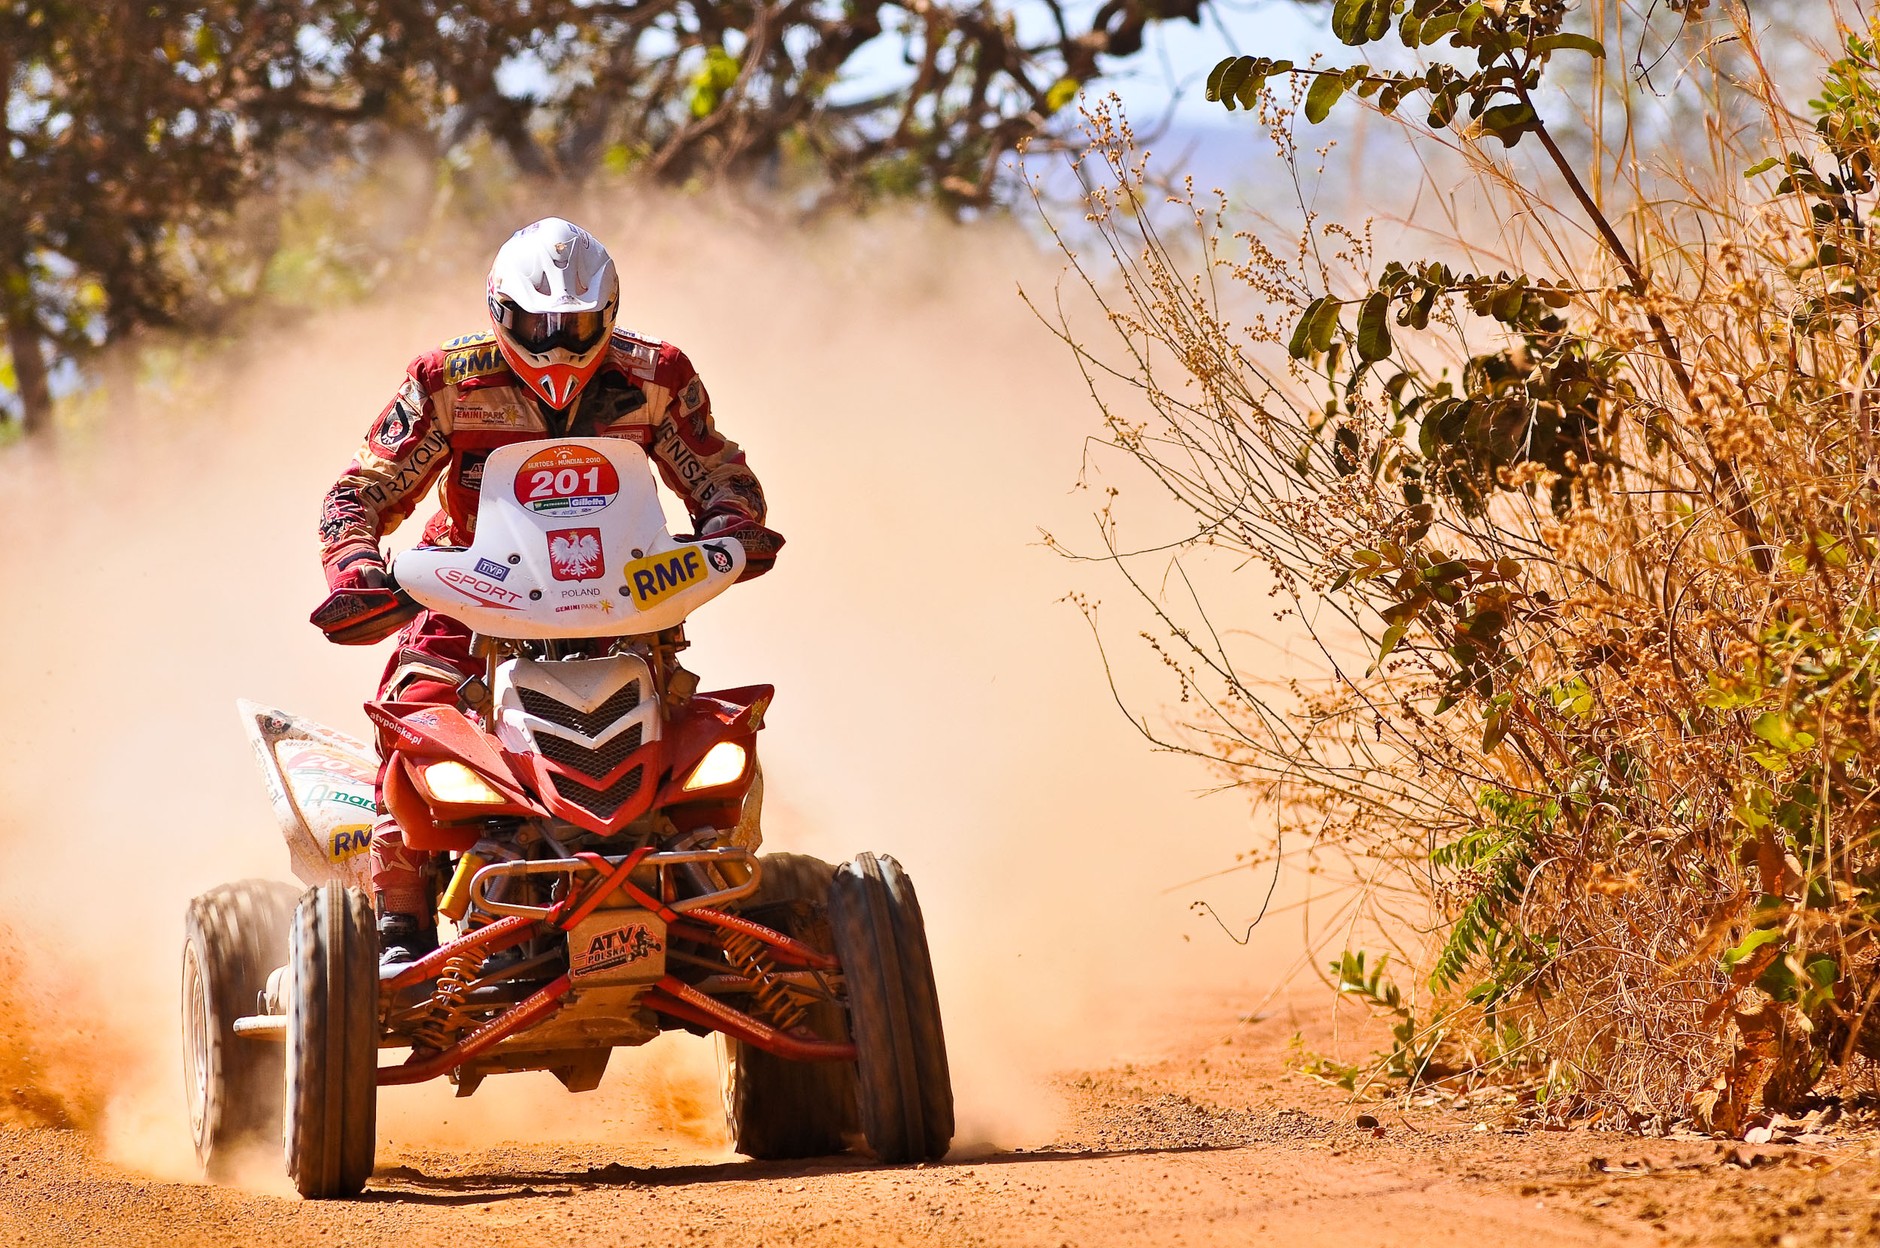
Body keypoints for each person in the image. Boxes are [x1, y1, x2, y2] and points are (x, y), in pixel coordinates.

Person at [310, 217, 781, 974]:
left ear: (611, 313)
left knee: (705, 735)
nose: (559, 346)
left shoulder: (658, 376)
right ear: (501, 313)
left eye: (579, 326)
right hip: (472, 584)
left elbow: (718, 471)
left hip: (619, 593)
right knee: (410, 708)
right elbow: (361, 489)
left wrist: (734, 522)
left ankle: (712, 882)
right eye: (539, 325)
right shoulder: (447, 380)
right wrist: (355, 565)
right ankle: (400, 925)